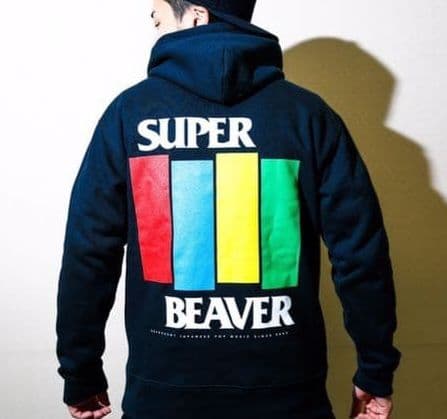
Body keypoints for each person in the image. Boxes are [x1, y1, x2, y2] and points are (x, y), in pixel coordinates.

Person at [55, 1, 402, 418]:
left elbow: (89, 251)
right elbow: (361, 255)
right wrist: (375, 372)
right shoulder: (308, 116)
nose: (155, 29)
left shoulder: (130, 114)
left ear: (196, 15)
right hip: (289, 394)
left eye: (158, 18)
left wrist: (81, 372)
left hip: (164, 393)